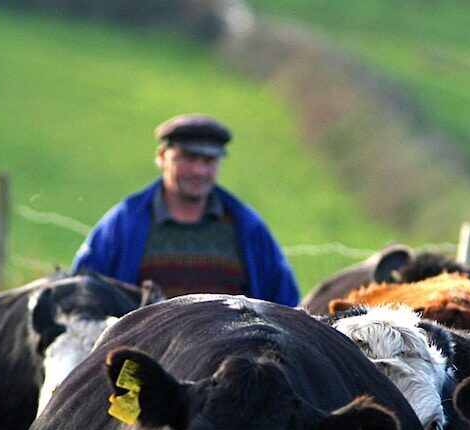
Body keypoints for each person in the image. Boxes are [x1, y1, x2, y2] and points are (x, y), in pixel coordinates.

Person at [70, 114, 300, 305]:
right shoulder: (123, 226)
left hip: (230, 359)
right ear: (162, 157)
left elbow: (284, 306)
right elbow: (80, 300)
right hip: (145, 356)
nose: (199, 170)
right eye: (188, 158)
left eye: (209, 161)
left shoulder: (248, 229)